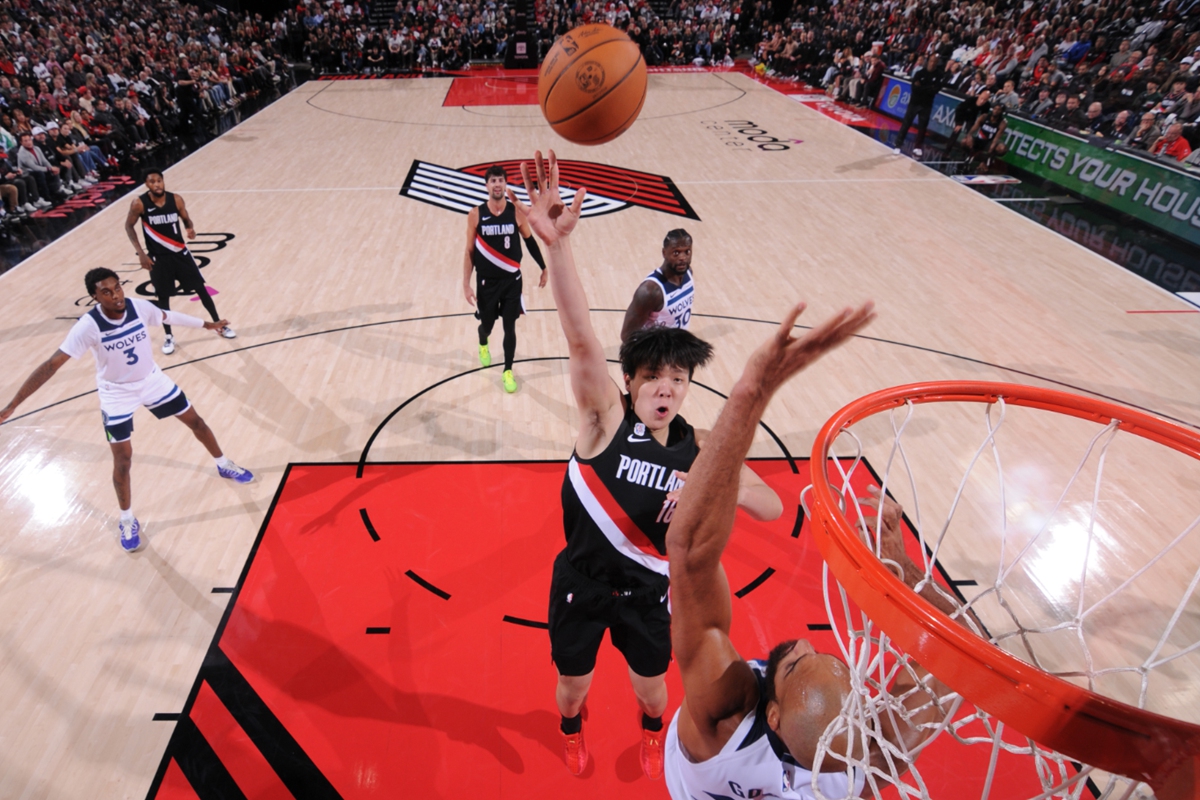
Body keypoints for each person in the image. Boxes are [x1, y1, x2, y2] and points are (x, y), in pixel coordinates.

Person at [511, 151, 784, 781]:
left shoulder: (702, 449)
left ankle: (650, 734)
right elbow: (580, 337)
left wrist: (718, 473)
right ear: (630, 380)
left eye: (679, 378)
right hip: (579, 585)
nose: (667, 387)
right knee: (571, 690)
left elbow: (770, 505)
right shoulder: (603, 419)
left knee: (651, 690)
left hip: (646, 595)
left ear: (688, 386)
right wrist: (557, 249)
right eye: (654, 376)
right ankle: (572, 731)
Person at [662, 301, 978, 800]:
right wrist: (902, 569)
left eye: (791, 665)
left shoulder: (725, 722)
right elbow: (968, 647)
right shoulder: (872, 759)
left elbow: (688, 550)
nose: (802, 644)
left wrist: (752, 393)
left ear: (772, 714)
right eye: (824, 657)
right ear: (858, 711)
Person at [0, 269, 253, 553]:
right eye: (106, 292)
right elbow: (52, 365)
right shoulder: (88, 326)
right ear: (94, 297)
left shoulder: (138, 306)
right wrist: (13, 404)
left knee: (197, 423)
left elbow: (168, 316)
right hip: (116, 393)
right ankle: (127, 519)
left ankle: (223, 464)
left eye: (117, 287)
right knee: (122, 461)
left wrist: (208, 324)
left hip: (151, 381)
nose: (115, 295)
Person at [124, 171, 235, 355]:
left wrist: (189, 227)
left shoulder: (175, 199)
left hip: (181, 254)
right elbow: (129, 226)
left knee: (200, 288)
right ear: (146, 184)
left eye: (159, 180)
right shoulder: (139, 203)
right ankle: (169, 336)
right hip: (158, 258)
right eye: (152, 182)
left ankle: (219, 325)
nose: (157, 184)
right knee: (163, 298)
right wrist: (141, 253)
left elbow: (185, 217)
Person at [461, 165, 547, 393]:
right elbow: (469, 251)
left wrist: (543, 266)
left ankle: (508, 370)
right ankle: (482, 342)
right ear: (487, 186)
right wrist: (466, 284)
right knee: (486, 326)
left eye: (500, 180)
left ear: (505, 184)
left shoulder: (516, 213)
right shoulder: (476, 215)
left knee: (510, 327)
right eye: (493, 181)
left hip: (512, 282)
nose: (497, 184)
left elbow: (529, 241)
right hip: (486, 283)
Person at [620, 229, 695, 341]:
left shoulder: (688, 273)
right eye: (676, 252)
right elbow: (627, 336)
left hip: (678, 349)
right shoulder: (651, 291)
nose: (682, 258)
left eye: (687, 252)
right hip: (659, 354)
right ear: (664, 253)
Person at [893, 55, 943, 158]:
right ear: (928, 61)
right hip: (914, 103)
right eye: (931, 61)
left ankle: (917, 147)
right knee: (906, 123)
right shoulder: (920, 73)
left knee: (922, 127)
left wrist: (923, 87)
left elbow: (936, 90)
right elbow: (914, 89)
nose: (932, 63)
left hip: (927, 105)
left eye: (935, 61)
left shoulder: (939, 75)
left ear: (937, 63)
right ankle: (898, 144)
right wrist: (928, 88)